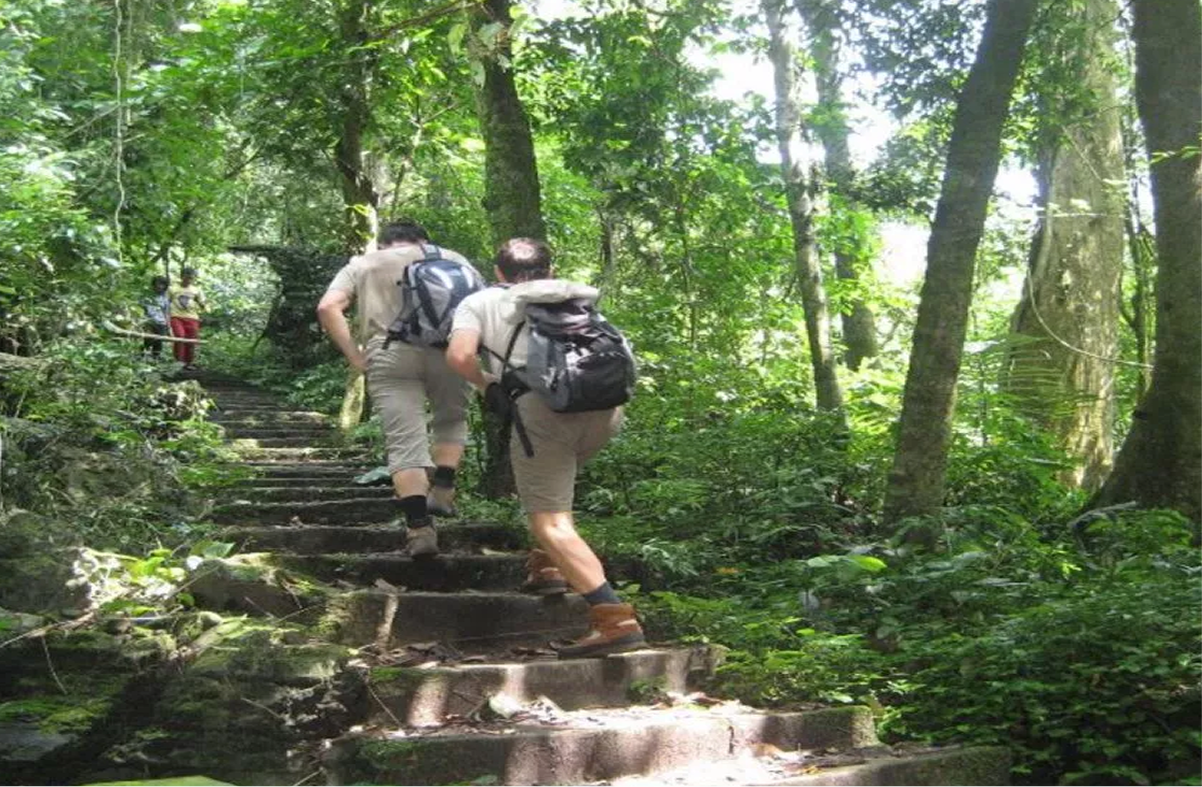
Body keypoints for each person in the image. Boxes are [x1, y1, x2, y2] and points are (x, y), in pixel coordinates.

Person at [446, 237, 645, 659]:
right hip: (605, 408)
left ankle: (614, 618)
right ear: (549, 269)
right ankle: (548, 567)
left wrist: (488, 386)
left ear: (498, 272)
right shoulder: (575, 298)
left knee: (549, 521)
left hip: (543, 409)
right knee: (554, 499)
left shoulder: (479, 301)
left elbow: (460, 355)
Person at [317, 221, 476, 558]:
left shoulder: (365, 263)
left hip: (390, 353)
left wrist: (355, 356)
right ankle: (444, 486)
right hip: (450, 351)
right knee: (452, 417)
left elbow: (327, 307)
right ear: (424, 240)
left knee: (404, 440)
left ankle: (419, 529)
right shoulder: (456, 258)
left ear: (384, 242)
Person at [169, 267, 206, 370]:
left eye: (191, 278)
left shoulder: (196, 290)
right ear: (182, 276)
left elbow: (202, 303)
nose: (188, 280)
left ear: (194, 278)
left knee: (191, 339)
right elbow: (166, 302)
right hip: (176, 316)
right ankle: (179, 361)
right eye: (186, 277)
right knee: (179, 336)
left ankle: (188, 362)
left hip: (192, 317)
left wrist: (203, 305)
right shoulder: (172, 288)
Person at [142, 275, 171, 359]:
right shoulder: (147, 296)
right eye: (158, 284)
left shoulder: (165, 299)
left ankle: (156, 358)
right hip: (149, 321)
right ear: (153, 285)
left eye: (162, 285)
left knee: (158, 341)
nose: (160, 286)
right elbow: (142, 309)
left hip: (161, 322)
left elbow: (167, 312)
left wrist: (168, 326)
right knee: (148, 339)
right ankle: (144, 356)